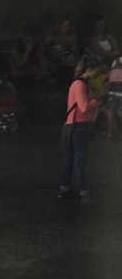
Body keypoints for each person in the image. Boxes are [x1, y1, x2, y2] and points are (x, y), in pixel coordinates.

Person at [62, 63, 100, 200]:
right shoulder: (80, 85)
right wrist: (97, 100)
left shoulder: (79, 84)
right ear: (88, 70)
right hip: (78, 126)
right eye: (96, 71)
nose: (97, 74)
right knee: (79, 159)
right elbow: (84, 107)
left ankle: (65, 186)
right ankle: (82, 188)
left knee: (71, 158)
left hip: (74, 125)